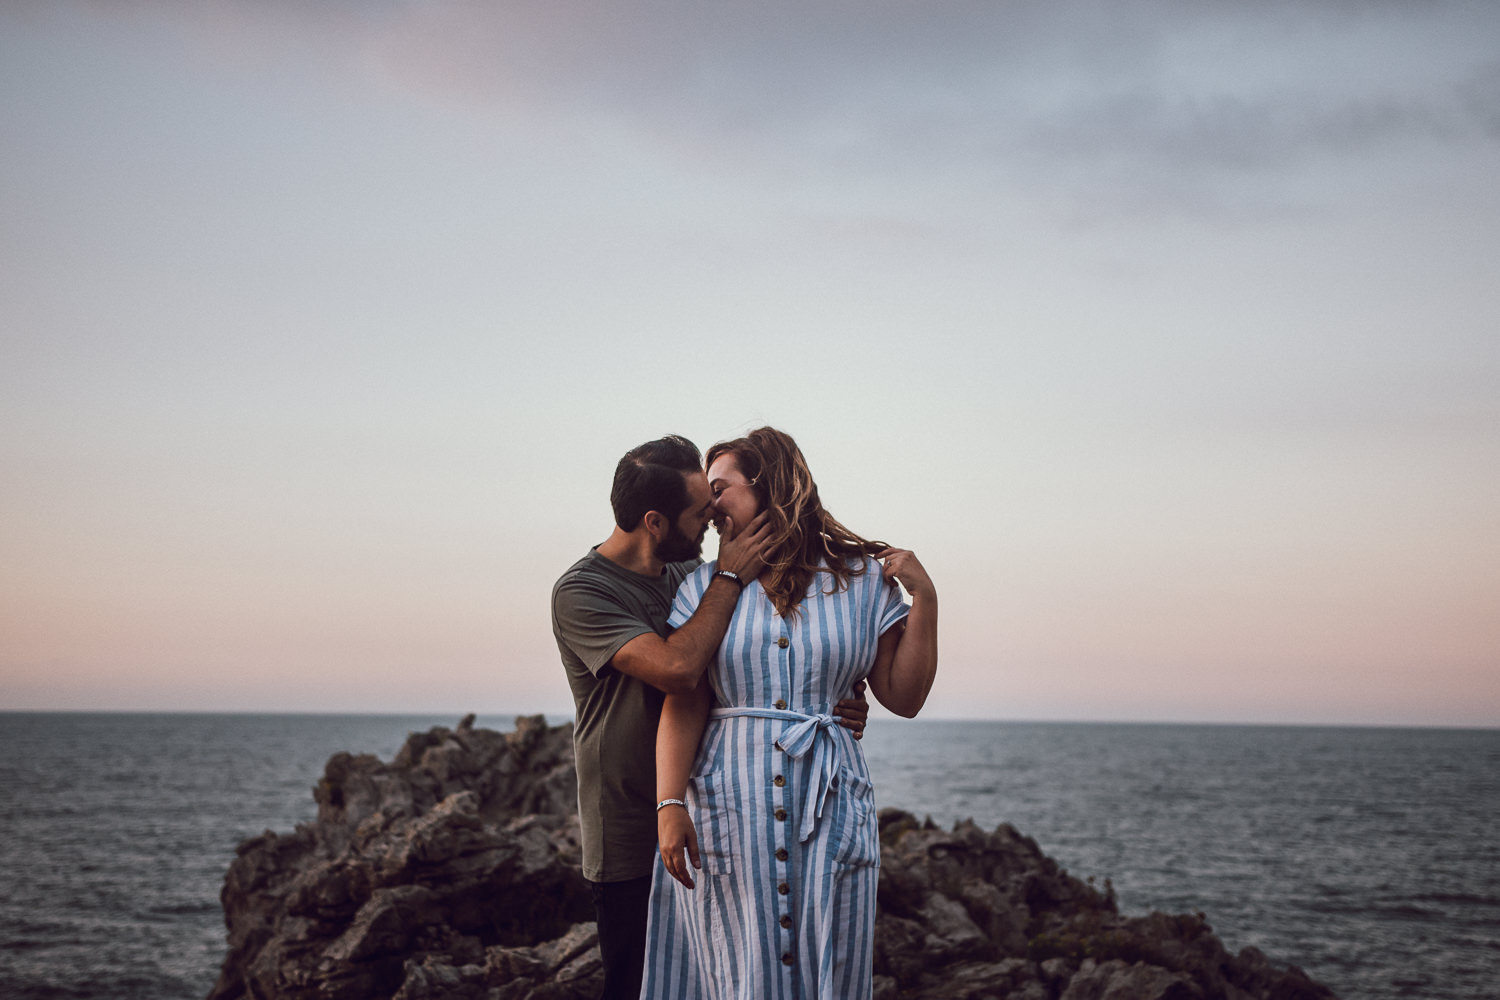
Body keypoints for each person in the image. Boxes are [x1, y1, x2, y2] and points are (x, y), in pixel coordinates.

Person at [550, 434, 871, 1000]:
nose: (712, 519)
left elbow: (745, 662)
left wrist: (834, 695)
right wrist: (728, 578)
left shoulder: (686, 574)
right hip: (630, 823)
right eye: (700, 511)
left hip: (713, 816)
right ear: (655, 521)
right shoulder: (583, 591)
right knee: (637, 985)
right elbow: (679, 670)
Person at [643, 427, 939, 999]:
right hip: (730, 804)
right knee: (735, 968)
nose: (710, 505)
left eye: (720, 488)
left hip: (830, 804)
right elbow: (685, 705)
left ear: (768, 485)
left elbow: (904, 697)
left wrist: (925, 599)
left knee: (830, 958)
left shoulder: (860, 582)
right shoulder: (704, 588)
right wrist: (669, 804)